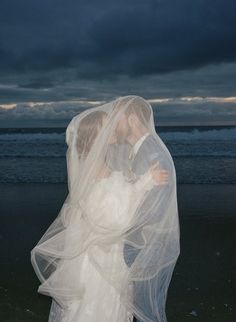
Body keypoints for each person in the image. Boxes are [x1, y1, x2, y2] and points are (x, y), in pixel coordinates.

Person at [30, 95, 180, 322]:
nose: (111, 128)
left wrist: (142, 184)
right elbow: (110, 219)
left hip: (105, 253)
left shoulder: (99, 164)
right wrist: (146, 182)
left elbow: (116, 199)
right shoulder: (96, 170)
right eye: (105, 126)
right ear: (95, 136)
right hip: (102, 258)